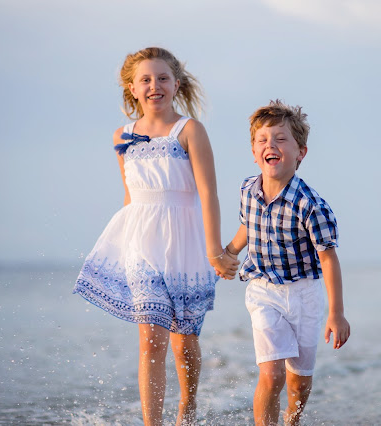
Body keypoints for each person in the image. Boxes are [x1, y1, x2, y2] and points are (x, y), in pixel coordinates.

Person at [73, 47, 239, 426]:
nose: (154, 86)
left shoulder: (190, 130)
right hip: (140, 245)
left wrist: (214, 248)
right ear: (132, 89)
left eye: (162, 78)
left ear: (176, 85)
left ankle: (188, 407)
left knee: (183, 341)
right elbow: (130, 196)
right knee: (150, 338)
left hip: (184, 243)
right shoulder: (122, 136)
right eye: (145, 80)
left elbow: (208, 192)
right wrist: (120, 245)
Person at [222, 100, 350, 426]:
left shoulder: (310, 205)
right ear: (254, 152)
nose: (271, 145)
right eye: (263, 140)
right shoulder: (248, 191)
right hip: (263, 291)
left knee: (299, 380)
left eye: (280, 139)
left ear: (300, 153)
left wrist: (336, 313)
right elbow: (247, 227)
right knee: (271, 373)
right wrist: (230, 252)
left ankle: (292, 420)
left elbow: (328, 257)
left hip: (305, 294)